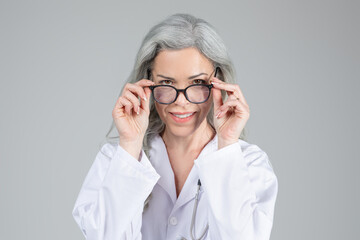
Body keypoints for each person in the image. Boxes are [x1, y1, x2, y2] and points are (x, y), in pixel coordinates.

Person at [72, 13, 278, 240]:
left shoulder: (249, 163)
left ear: (218, 82)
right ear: (147, 82)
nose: (181, 101)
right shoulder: (117, 159)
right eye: (167, 83)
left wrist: (227, 145)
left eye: (197, 83)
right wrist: (131, 146)